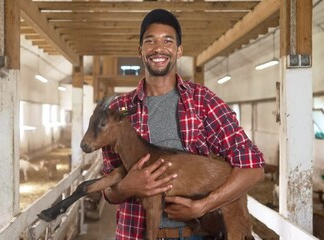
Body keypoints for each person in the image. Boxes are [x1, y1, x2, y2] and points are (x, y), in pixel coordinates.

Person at [101, 9, 265, 240]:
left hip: (194, 234)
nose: (159, 48)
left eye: (167, 41)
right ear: (140, 51)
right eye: (150, 41)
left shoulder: (203, 101)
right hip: (134, 233)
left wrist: (203, 206)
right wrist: (127, 187)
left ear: (179, 51)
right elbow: (109, 191)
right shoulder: (120, 109)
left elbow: (253, 168)